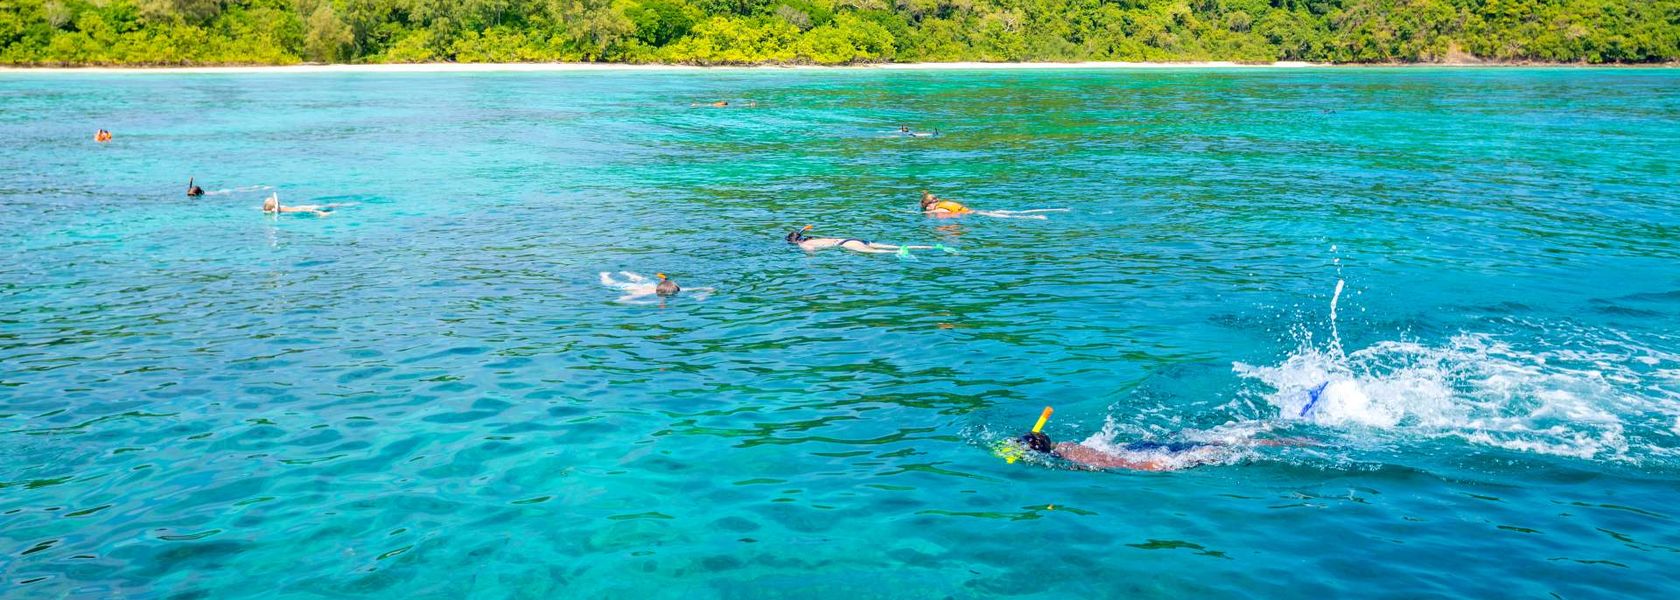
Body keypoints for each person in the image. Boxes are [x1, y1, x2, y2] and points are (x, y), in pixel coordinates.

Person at [1012, 431, 1303, 471]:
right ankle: (1286, 437)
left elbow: (1118, 462)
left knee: (1225, 445)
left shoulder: (1068, 453)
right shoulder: (1066, 449)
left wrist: (1151, 467)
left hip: (1145, 457)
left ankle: (1293, 440)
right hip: (1138, 452)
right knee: (1224, 441)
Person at [785, 225, 946, 255]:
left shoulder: (804, 244)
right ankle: (932, 247)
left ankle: (900, 252)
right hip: (852, 239)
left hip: (846, 244)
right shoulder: (813, 238)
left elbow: (812, 252)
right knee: (895, 245)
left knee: (877, 253)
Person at [261, 193, 333, 217]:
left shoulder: (275, 209)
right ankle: (323, 212)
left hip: (297, 208)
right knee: (312, 209)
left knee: (313, 209)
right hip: (297, 209)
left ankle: (324, 212)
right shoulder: (276, 209)